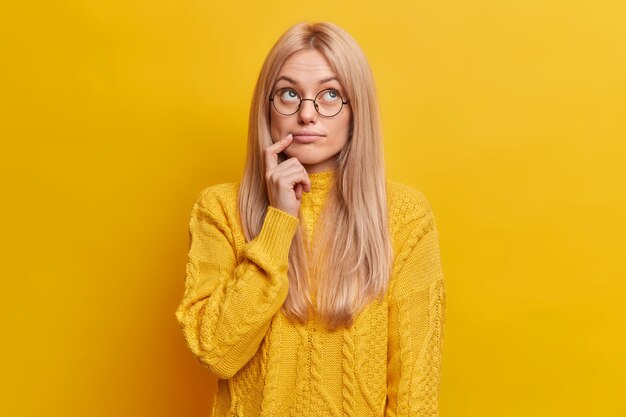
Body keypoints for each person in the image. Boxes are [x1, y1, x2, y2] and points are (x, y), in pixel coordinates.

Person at [175, 21, 447, 417]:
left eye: (330, 95)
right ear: (266, 109)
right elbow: (217, 352)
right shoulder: (218, 210)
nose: (307, 114)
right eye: (289, 93)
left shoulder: (404, 217)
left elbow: (413, 395)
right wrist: (278, 222)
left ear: (357, 112)